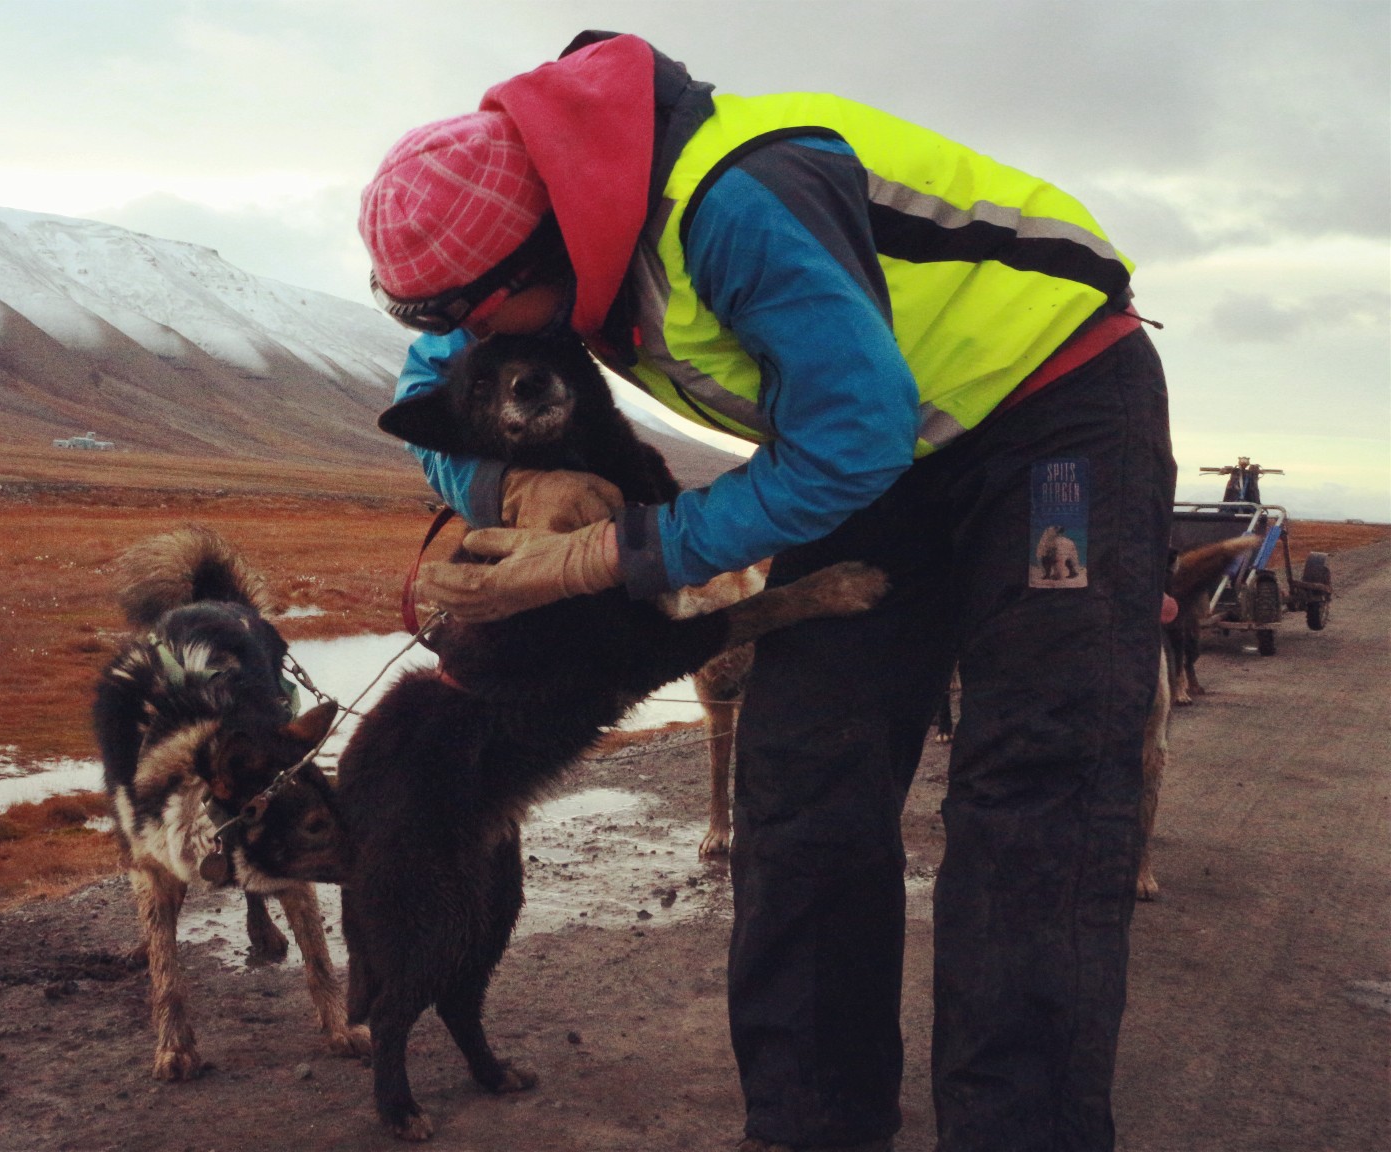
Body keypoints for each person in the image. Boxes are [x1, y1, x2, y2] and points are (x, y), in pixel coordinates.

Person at [356, 31, 1175, 1152]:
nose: (461, 342)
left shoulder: (732, 202)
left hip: (1053, 410)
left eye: (473, 317)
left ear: (540, 255)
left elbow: (846, 440)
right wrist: (518, 483)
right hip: (885, 440)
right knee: (801, 774)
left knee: (1032, 791)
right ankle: (807, 1129)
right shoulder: (519, 250)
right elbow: (434, 400)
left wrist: (604, 556)